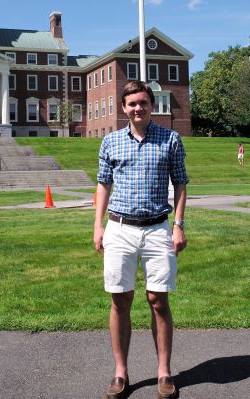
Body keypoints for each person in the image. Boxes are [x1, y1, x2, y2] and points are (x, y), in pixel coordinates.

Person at [94, 80, 189, 399]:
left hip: (157, 229)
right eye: (132, 103)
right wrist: (98, 226)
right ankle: (120, 374)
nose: (138, 108)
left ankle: (164, 372)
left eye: (143, 102)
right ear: (123, 108)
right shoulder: (110, 142)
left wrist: (178, 225)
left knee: (158, 300)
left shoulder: (170, 139)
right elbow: (103, 185)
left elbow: (180, 184)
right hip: (119, 228)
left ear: (152, 105)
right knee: (120, 300)